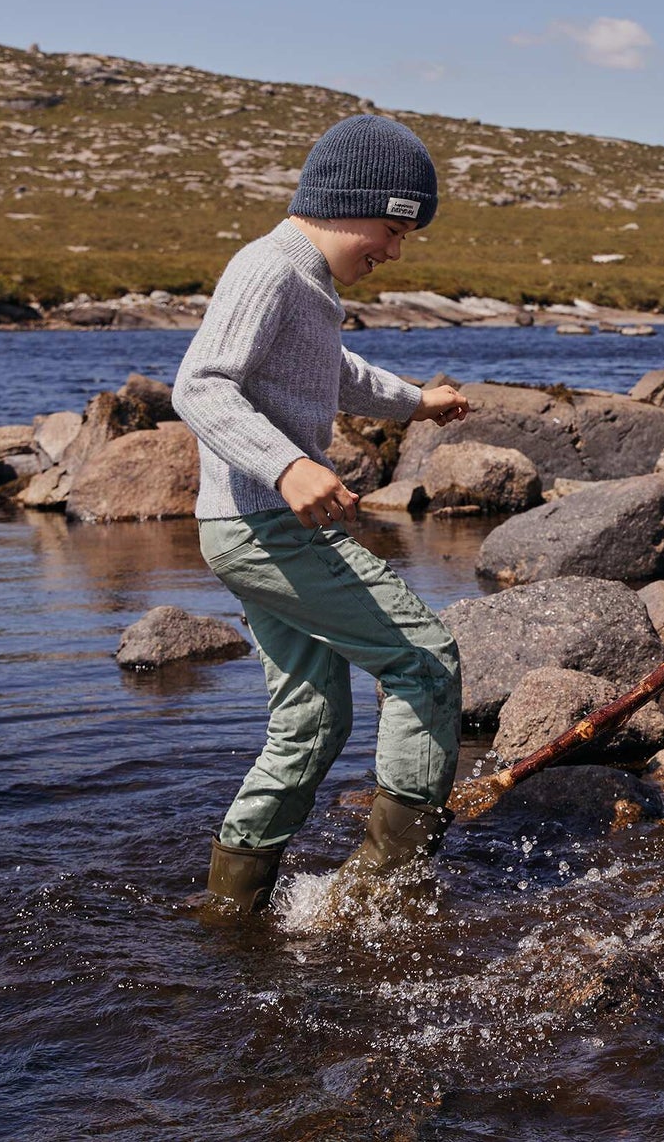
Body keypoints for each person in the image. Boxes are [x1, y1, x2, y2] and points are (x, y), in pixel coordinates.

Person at [173, 114, 469, 914]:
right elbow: (199, 385)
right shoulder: (268, 267)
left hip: (258, 529)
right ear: (350, 201)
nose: (395, 249)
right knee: (425, 662)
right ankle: (380, 892)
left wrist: (415, 402)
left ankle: (231, 908)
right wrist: (290, 463)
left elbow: (330, 370)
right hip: (265, 524)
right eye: (393, 229)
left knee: (310, 719)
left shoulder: (307, 282)